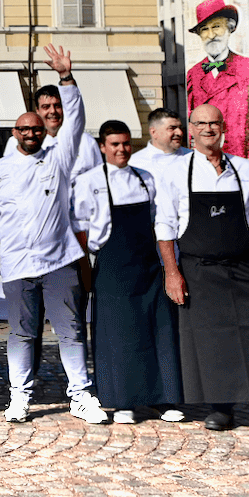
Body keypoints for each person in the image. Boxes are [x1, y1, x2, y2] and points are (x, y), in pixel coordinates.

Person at [156, 103, 249, 440]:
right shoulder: (176, 171)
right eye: (201, 123)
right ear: (191, 129)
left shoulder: (246, 170)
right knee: (211, 341)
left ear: (224, 128)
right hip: (198, 270)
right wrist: (172, 273)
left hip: (245, 267)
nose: (208, 129)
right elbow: (164, 227)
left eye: (214, 123)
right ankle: (221, 409)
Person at [0, 45, 103, 424]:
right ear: (15, 132)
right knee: (21, 334)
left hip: (60, 260)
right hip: (18, 264)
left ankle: (81, 396)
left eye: (37, 128)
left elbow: (76, 121)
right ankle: (19, 397)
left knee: (70, 331)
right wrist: (15, 238)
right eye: (25, 129)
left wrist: (67, 78)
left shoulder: (59, 157)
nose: (32, 133)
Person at [73, 119, 183, 426]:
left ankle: (163, 399)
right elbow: (80, 230)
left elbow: (159, 220)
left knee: (158, 330)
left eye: (125, 144)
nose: (122, 149)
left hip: (148, 266)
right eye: (115, 144)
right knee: (119, 335)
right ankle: (123, 402)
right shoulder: (89, 181)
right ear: (102, 147)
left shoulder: (145, 178)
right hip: (112, 267)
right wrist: (85, 270)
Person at [185, 0, 249, 161]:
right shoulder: (193, 74)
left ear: (229, 28)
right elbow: (190, 121)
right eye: (204, 29)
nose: (211, 35)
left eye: (216, 26)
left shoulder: (247, 67)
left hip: (240, 158)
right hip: (205, 158)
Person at [131, 108, 188, 176]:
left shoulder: (192, 158)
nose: (180, 133)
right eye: (172, 128)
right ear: (153, 132)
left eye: (180, 128)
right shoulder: (135, 164)